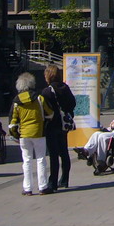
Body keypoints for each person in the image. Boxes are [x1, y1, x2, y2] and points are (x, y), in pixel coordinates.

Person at [9, 71, 54, 195]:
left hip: (24, 134)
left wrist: (15, 134)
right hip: (39, 133)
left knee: (27, 161)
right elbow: (50, 113)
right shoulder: (39, 98)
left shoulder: (16, 101)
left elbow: (12, 121)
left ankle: (27, 188)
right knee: (41, 159)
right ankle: (43, 186)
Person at [75, 99, 114, 173]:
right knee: (96, 134)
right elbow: (111, 126)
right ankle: (86, 151)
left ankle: (101, 161)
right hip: (111, 131)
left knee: (102, 137)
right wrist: (110, 126)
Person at [42, 64, 77, 192]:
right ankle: (65, 179)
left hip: (52, 125)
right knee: (64, 152)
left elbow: (44, 108)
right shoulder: (65, 88)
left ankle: (53, 182)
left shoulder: (47, 91)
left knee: (53, 154)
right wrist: (68, 112)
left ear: (48, 75)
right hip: (64, 125)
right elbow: (73, 102)